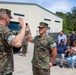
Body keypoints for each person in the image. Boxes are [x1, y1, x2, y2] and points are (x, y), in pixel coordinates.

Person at [0, 8, 26, 75]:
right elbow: (17, 43)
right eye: (9, 18)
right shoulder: (3, 29)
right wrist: (23, 27)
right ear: (6, 17)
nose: (9, 20)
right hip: (3, 70)